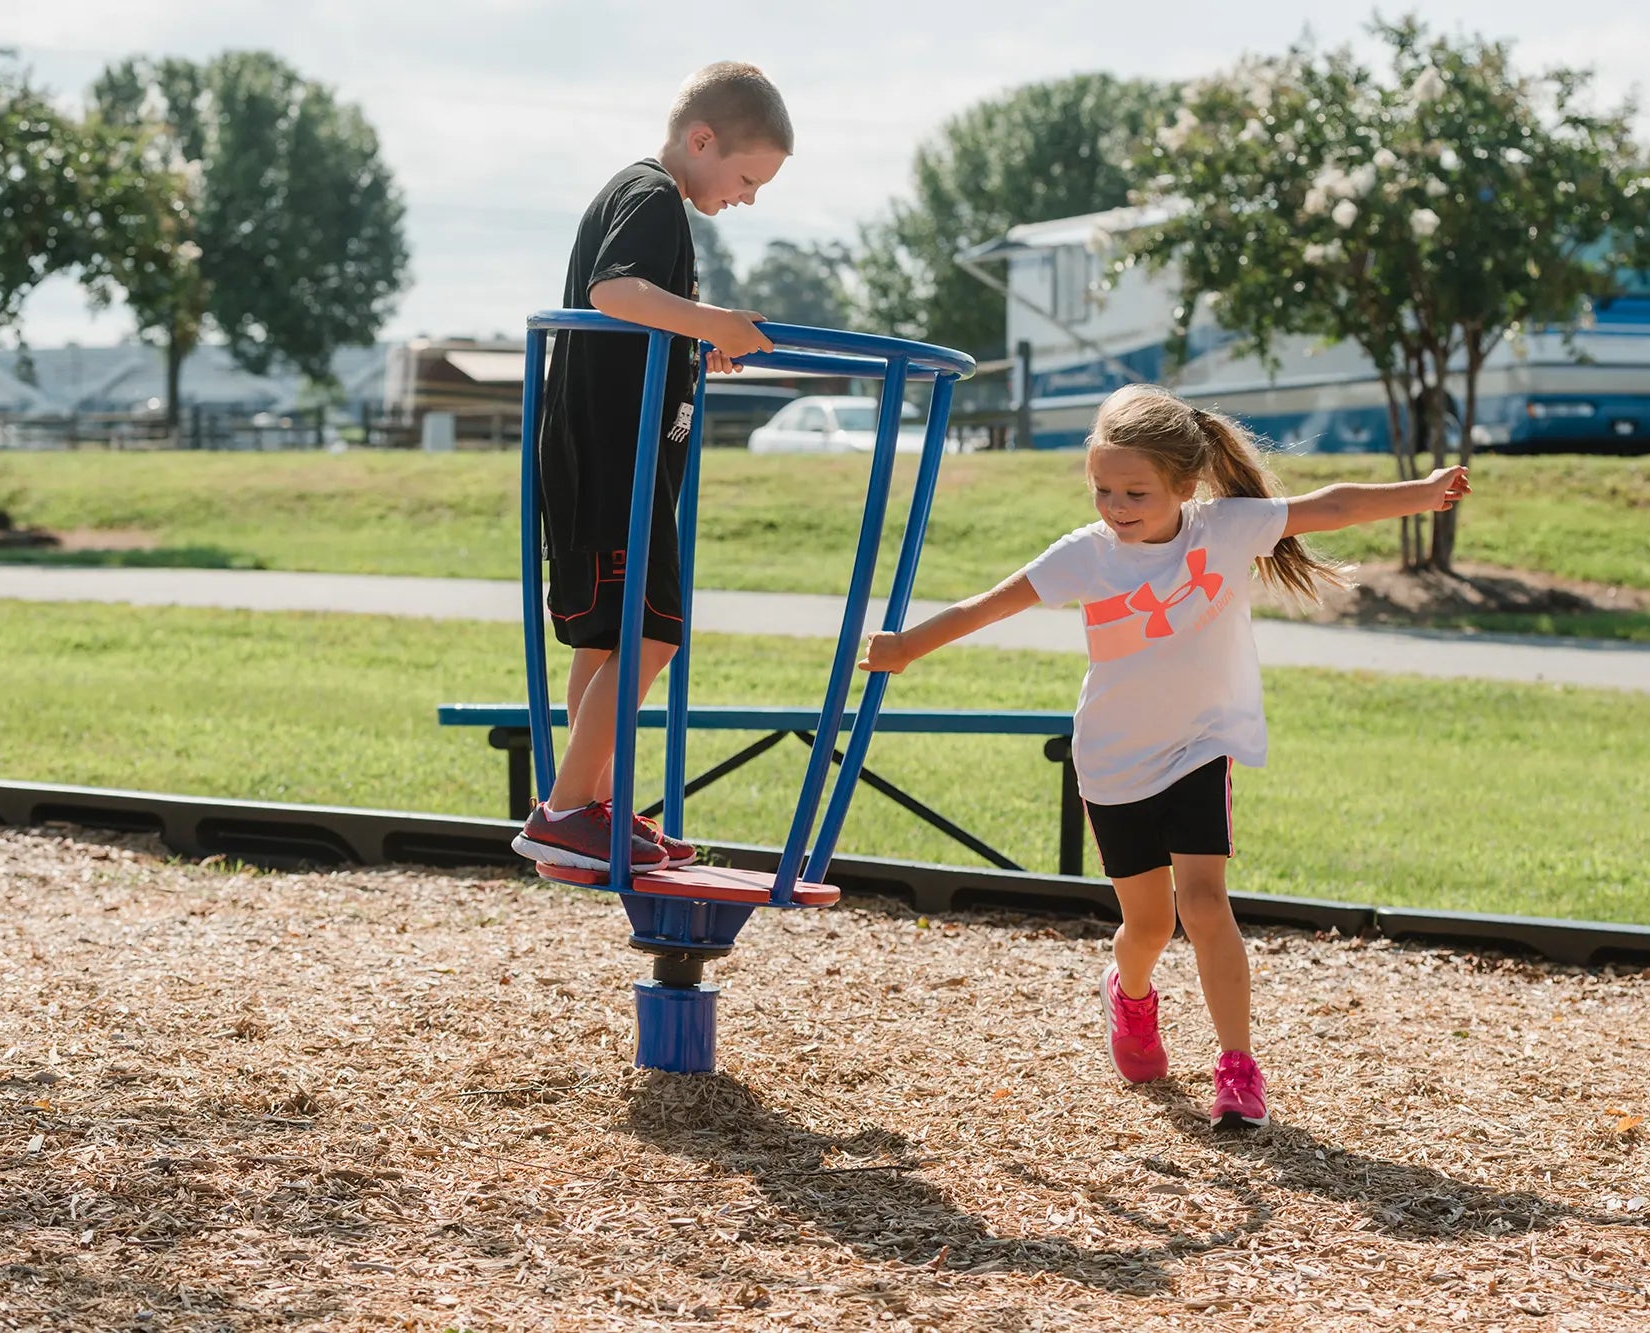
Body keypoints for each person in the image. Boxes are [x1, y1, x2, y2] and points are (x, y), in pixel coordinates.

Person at [859, 384, 1470, 1128]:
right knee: (1147, 926)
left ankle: (1238, 1067)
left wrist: (1427, 491)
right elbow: (989, 603)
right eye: (1103, 489)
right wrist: (906, 648)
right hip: (1115, 760)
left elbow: (1334, 506)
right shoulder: (1087, 556)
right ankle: (1133, 994)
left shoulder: (1227, 528)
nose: (1116, 505)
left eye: (1135, 492)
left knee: (1206, 905)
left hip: (1201, 744)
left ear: (1186, 484)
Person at [513, 62, 793, 875]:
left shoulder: (642, 196)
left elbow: (636, 316)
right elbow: (614, 291)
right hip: (614, 459)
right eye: (745, 176)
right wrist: (711, 319)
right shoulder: (653, 197)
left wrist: (695, 342)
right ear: (700, 139)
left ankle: (594, 803)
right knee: (651, 632)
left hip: (605, 452)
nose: (747, 196)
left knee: (608, 639)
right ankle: (565, 808)